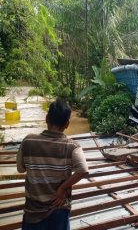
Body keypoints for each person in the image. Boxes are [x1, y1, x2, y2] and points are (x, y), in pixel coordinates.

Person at [16, 98, 88, 230]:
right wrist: (62, 188)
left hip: (33, 212)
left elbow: (20, 169)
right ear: (67, 124)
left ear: (47, 118)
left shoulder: (28, 141)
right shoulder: (72, 146)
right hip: (59, 210)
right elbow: (83, 170)